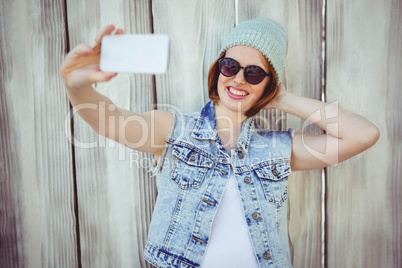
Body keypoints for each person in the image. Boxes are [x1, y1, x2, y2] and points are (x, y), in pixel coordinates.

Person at [60, 18, 379, 268]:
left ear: (268, 84)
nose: (239, 79)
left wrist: (282, 98)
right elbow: (112, 122)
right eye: (230, 66)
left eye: (254, 73)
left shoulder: (277, 150)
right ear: (218, 70)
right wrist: (77, 88)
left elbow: (363, 135)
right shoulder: (174, 130)